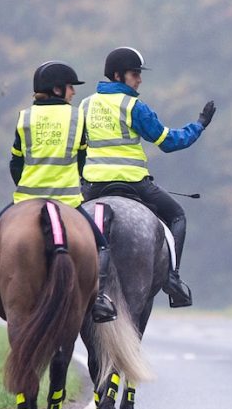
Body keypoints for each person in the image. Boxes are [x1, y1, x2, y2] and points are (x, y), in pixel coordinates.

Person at [0, 61, 118, 323]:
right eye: (70, 87)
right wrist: (72, 182)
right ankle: (100, 300)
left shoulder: (25, 118)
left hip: (27, 197)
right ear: (57, 89)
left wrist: (26, 184)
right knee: (102, 245)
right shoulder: (77, 118)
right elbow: (82, 162)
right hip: (68, 200)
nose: (73, 92)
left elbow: (15, 163)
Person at [79, 46, 215, 308]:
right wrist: (199, 125)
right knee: (177, 216)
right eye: (135, 74)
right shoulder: (133, 106)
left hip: (93, 186)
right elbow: (169, 142)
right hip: (133, 183)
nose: (139, 80)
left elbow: (78, 148)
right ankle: (172, 280)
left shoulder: (85, 105)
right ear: (118, 75)